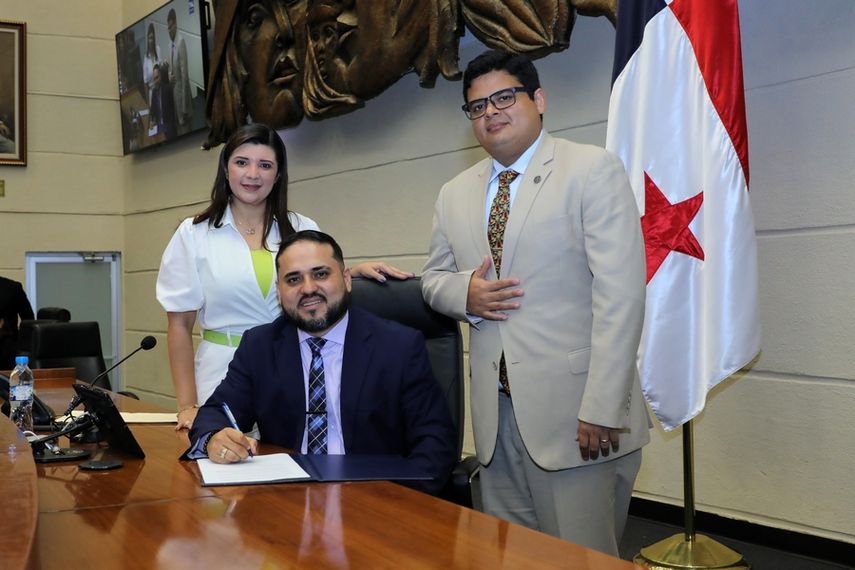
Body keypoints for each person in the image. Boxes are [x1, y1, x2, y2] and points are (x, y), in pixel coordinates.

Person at [421, 50, 650, 555]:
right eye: (477, 106)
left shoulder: (591, 169)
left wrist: (604, 406)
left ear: (539, 99)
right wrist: (465, 293)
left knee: (582, 560)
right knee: (511, 557)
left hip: (580, 416)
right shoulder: (453, 193)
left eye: (504, 97)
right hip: (496, 419)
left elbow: (621, 295)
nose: (491, 112)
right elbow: (432, 280)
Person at [157, 123, 411, 431]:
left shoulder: (301, 227)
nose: (253, 174)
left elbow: (314, 284)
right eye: (242, 162)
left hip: (294, 365)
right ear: (225, 169)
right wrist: (187, 405)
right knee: (224, 454)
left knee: (291, 452)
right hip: (221, 370)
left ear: (278, 175)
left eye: (265, 165)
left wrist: (352, 273)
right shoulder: (194, 233)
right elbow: (179, 326)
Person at [188, 230, 457, 494]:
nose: (308, 289)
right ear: (279, 291)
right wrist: (214, 438)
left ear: (346, 279)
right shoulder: (260, 346)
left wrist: (390, 502)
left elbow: (435, 446)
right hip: (287, 499)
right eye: (293, 279)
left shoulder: (398, 346)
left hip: (372, 496)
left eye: (320, 274)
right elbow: (216, 412)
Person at [167, 8, 194, 135]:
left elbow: (184, 76)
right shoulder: (169, 44)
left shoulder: (180, 41)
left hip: (183, 99)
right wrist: (169, 76)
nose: (169, 30)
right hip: (174, 97)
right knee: (178, 131)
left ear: (176, 24)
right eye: (167, 28)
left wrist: (184, 107)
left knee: (186, 132)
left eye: (171, 27)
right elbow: (170, 68)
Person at [0, 276, 35, 370]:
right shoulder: (13, 287)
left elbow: (28, 320)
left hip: (7, 349)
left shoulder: (13, 288)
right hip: (10, 346)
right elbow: (29, 319)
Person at [142, 22, 162, 105]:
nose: (151, 40)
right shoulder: (146, 58)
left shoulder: (158, 49)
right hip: (152, 93)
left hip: (160, 90)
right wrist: (148, 104)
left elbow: (161, 70)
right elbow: (145, 83)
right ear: (147, 39)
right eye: (150, 38)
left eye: (153, 38)